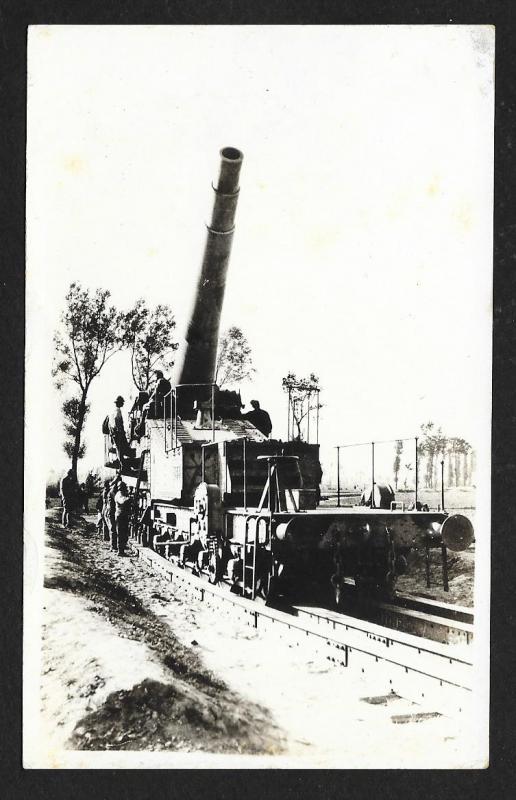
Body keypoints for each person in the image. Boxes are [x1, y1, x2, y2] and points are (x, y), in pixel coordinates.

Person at [109, 396, 132, 464]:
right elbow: (116, 419)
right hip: (118, 432)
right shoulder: (117, 410)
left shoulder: (115, 410)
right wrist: (119, 429)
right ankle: (121, 464)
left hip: (116, 432)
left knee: (119, 448)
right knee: (120, 448)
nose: (123, 404)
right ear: (119, 403)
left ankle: (120, 461)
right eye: (122, 402)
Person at [114, 482, 132, 556]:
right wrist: (129, 498)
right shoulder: (119, 494)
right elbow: (122, 501)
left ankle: (122, 550)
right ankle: (120, 551)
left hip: (122, 515)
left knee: (123, 533)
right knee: (121, 533)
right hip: (120, 516)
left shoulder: (121, 494)